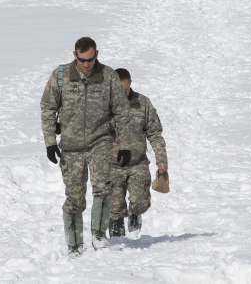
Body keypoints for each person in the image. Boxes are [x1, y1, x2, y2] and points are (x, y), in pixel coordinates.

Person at [40, 37, 131, 254]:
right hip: (71, 146)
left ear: (96, 54)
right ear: (74, 55)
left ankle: (99, 235)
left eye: (90, 59)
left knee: (103, 187)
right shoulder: (61, 76)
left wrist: (124, 144)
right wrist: (50, 142)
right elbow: (47, 108)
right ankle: (74, 243)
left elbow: (122, 110)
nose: (86, 64)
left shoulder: (108, 76)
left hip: (101, 141)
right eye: (82, 60)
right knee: (74, 196)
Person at [108, 68, 167, 237]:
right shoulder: (103, 106)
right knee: (114, 205)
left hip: (137, 162)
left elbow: (155, 133)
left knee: (141, 201)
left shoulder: (143, 104)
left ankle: (135, 213)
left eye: (124, 89)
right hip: (112, 164)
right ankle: (116, 229)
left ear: (130, 84)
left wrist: (161, 159)